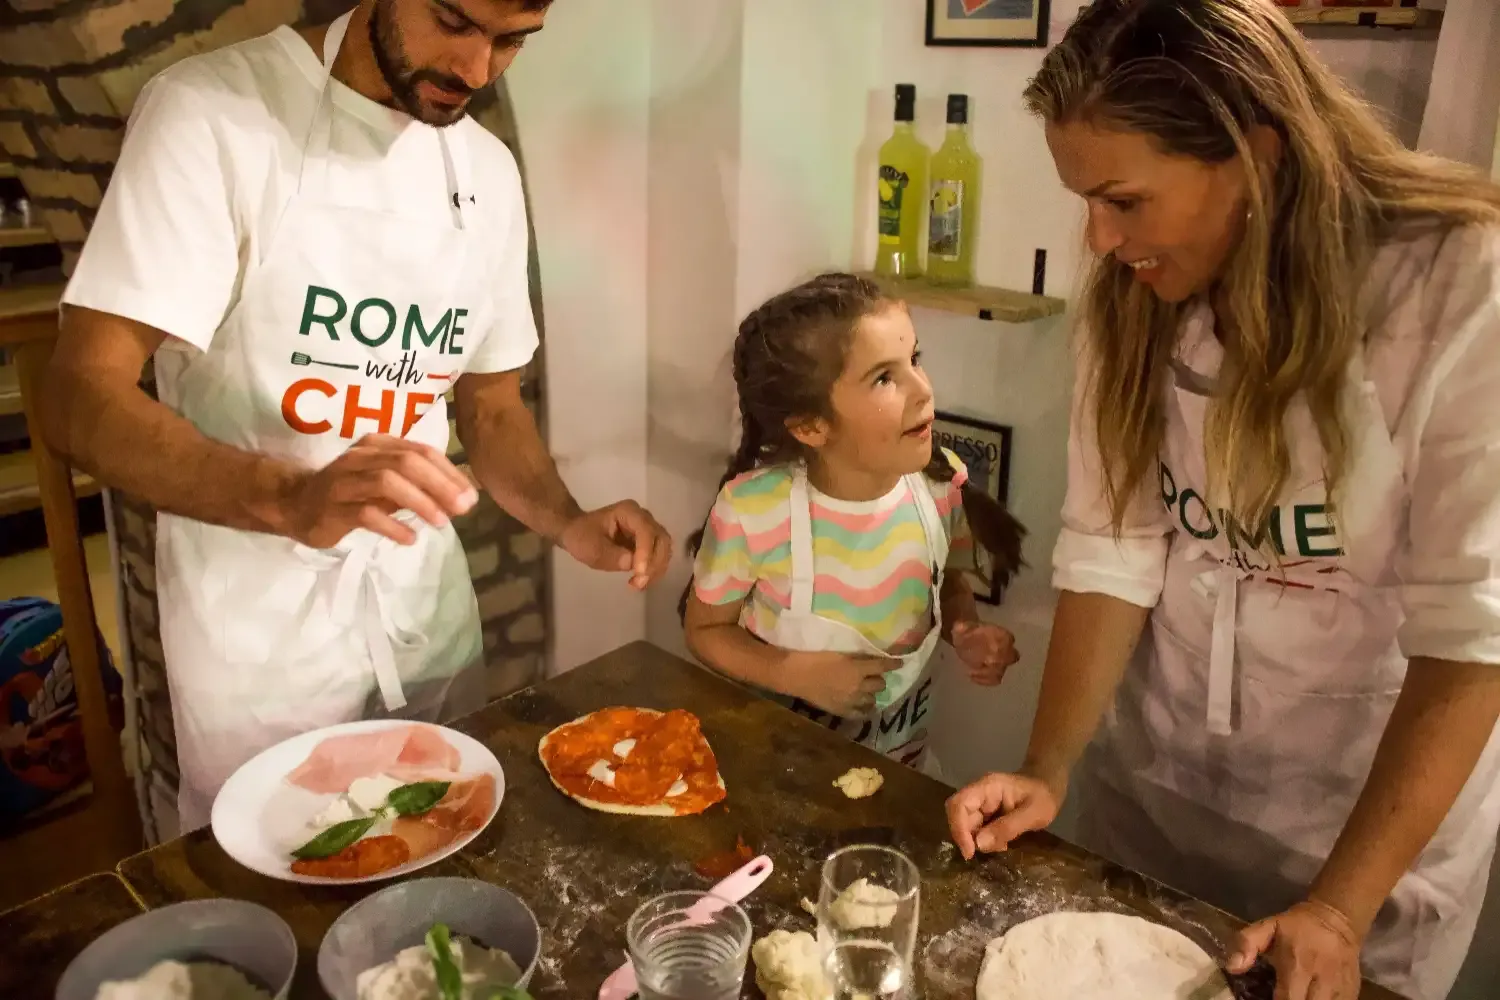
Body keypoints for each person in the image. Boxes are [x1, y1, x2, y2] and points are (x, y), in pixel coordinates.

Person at [943, 2, 1500, 998]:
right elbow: (1113, 547)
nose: (1102, 239)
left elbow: (1475, 636)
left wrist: (1338, 907)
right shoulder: (1137, 303)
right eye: (1087, 204)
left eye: (1124, 200)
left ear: (1259, 155)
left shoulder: (1462, 289)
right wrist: (1050, 764)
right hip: (1157, 803)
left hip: (1358, 850)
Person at [36, 0, 671, 834]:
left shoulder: (485, 168)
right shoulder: (213, 115)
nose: (477, 70)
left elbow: (488, 403)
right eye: (454, 20)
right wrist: (290, 499)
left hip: (426, 625)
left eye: (512, 40)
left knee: (437, 875)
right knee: (283, 900)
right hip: (261, 649)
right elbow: (78, 396)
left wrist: (570, 522)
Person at [680, 273, 1026, 777]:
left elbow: (945, 583)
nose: (924, 390)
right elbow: (704, 631)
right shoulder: (753, 511)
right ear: (811, 426)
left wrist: (965, 630)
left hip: (899, 770)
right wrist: (794, 673)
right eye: (885, 378)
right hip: (770, 777)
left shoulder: (939, 485)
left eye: (915, 360)